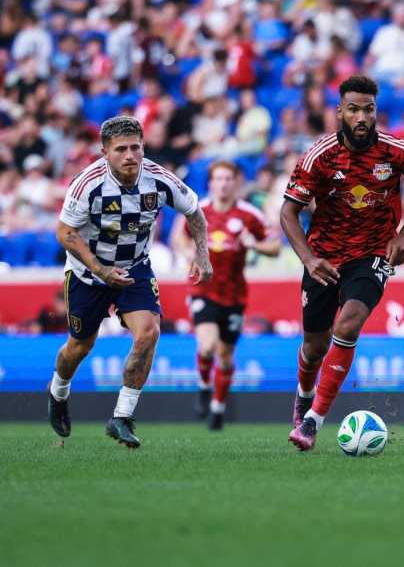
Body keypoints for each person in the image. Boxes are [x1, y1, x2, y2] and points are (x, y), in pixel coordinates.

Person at [281, 75, 404, 451]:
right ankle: (303, 397)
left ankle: (312, 422)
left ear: (376, 111)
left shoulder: (397, 150)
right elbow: (288, 213)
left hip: (371, 254)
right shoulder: (318, 157)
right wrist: (308, 258)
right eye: (353, 109)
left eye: (368, 109)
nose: (361, 117)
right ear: (340, 112)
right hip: (323, 257)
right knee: (314, 347)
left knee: (349, 324)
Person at [47, 116, 213, 449]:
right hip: (87, 273)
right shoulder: (87, 184)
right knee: (79, 347)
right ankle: (58, 392)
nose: (129, 156)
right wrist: (100, 270)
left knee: (149, 332)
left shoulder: (160, 179)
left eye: (135, 147)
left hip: (135, 267)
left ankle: (121, 417)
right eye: (120, 149)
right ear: (104, 151)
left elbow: (195, 212)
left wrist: (202, 255)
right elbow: (65, 232)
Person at [171, 161, 280, 431]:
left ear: (236, 182)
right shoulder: (199, 211)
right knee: (207, 346)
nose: (223, 184)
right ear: (210, 183)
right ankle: (204, 386)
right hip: (203, 290)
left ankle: (218, 407)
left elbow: (275, 246)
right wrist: (187, 252)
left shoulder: (248, 215)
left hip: (234, 294)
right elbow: (178, 236)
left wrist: (254, 244)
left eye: (228, 179)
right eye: (218, 179)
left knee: (227, 356)